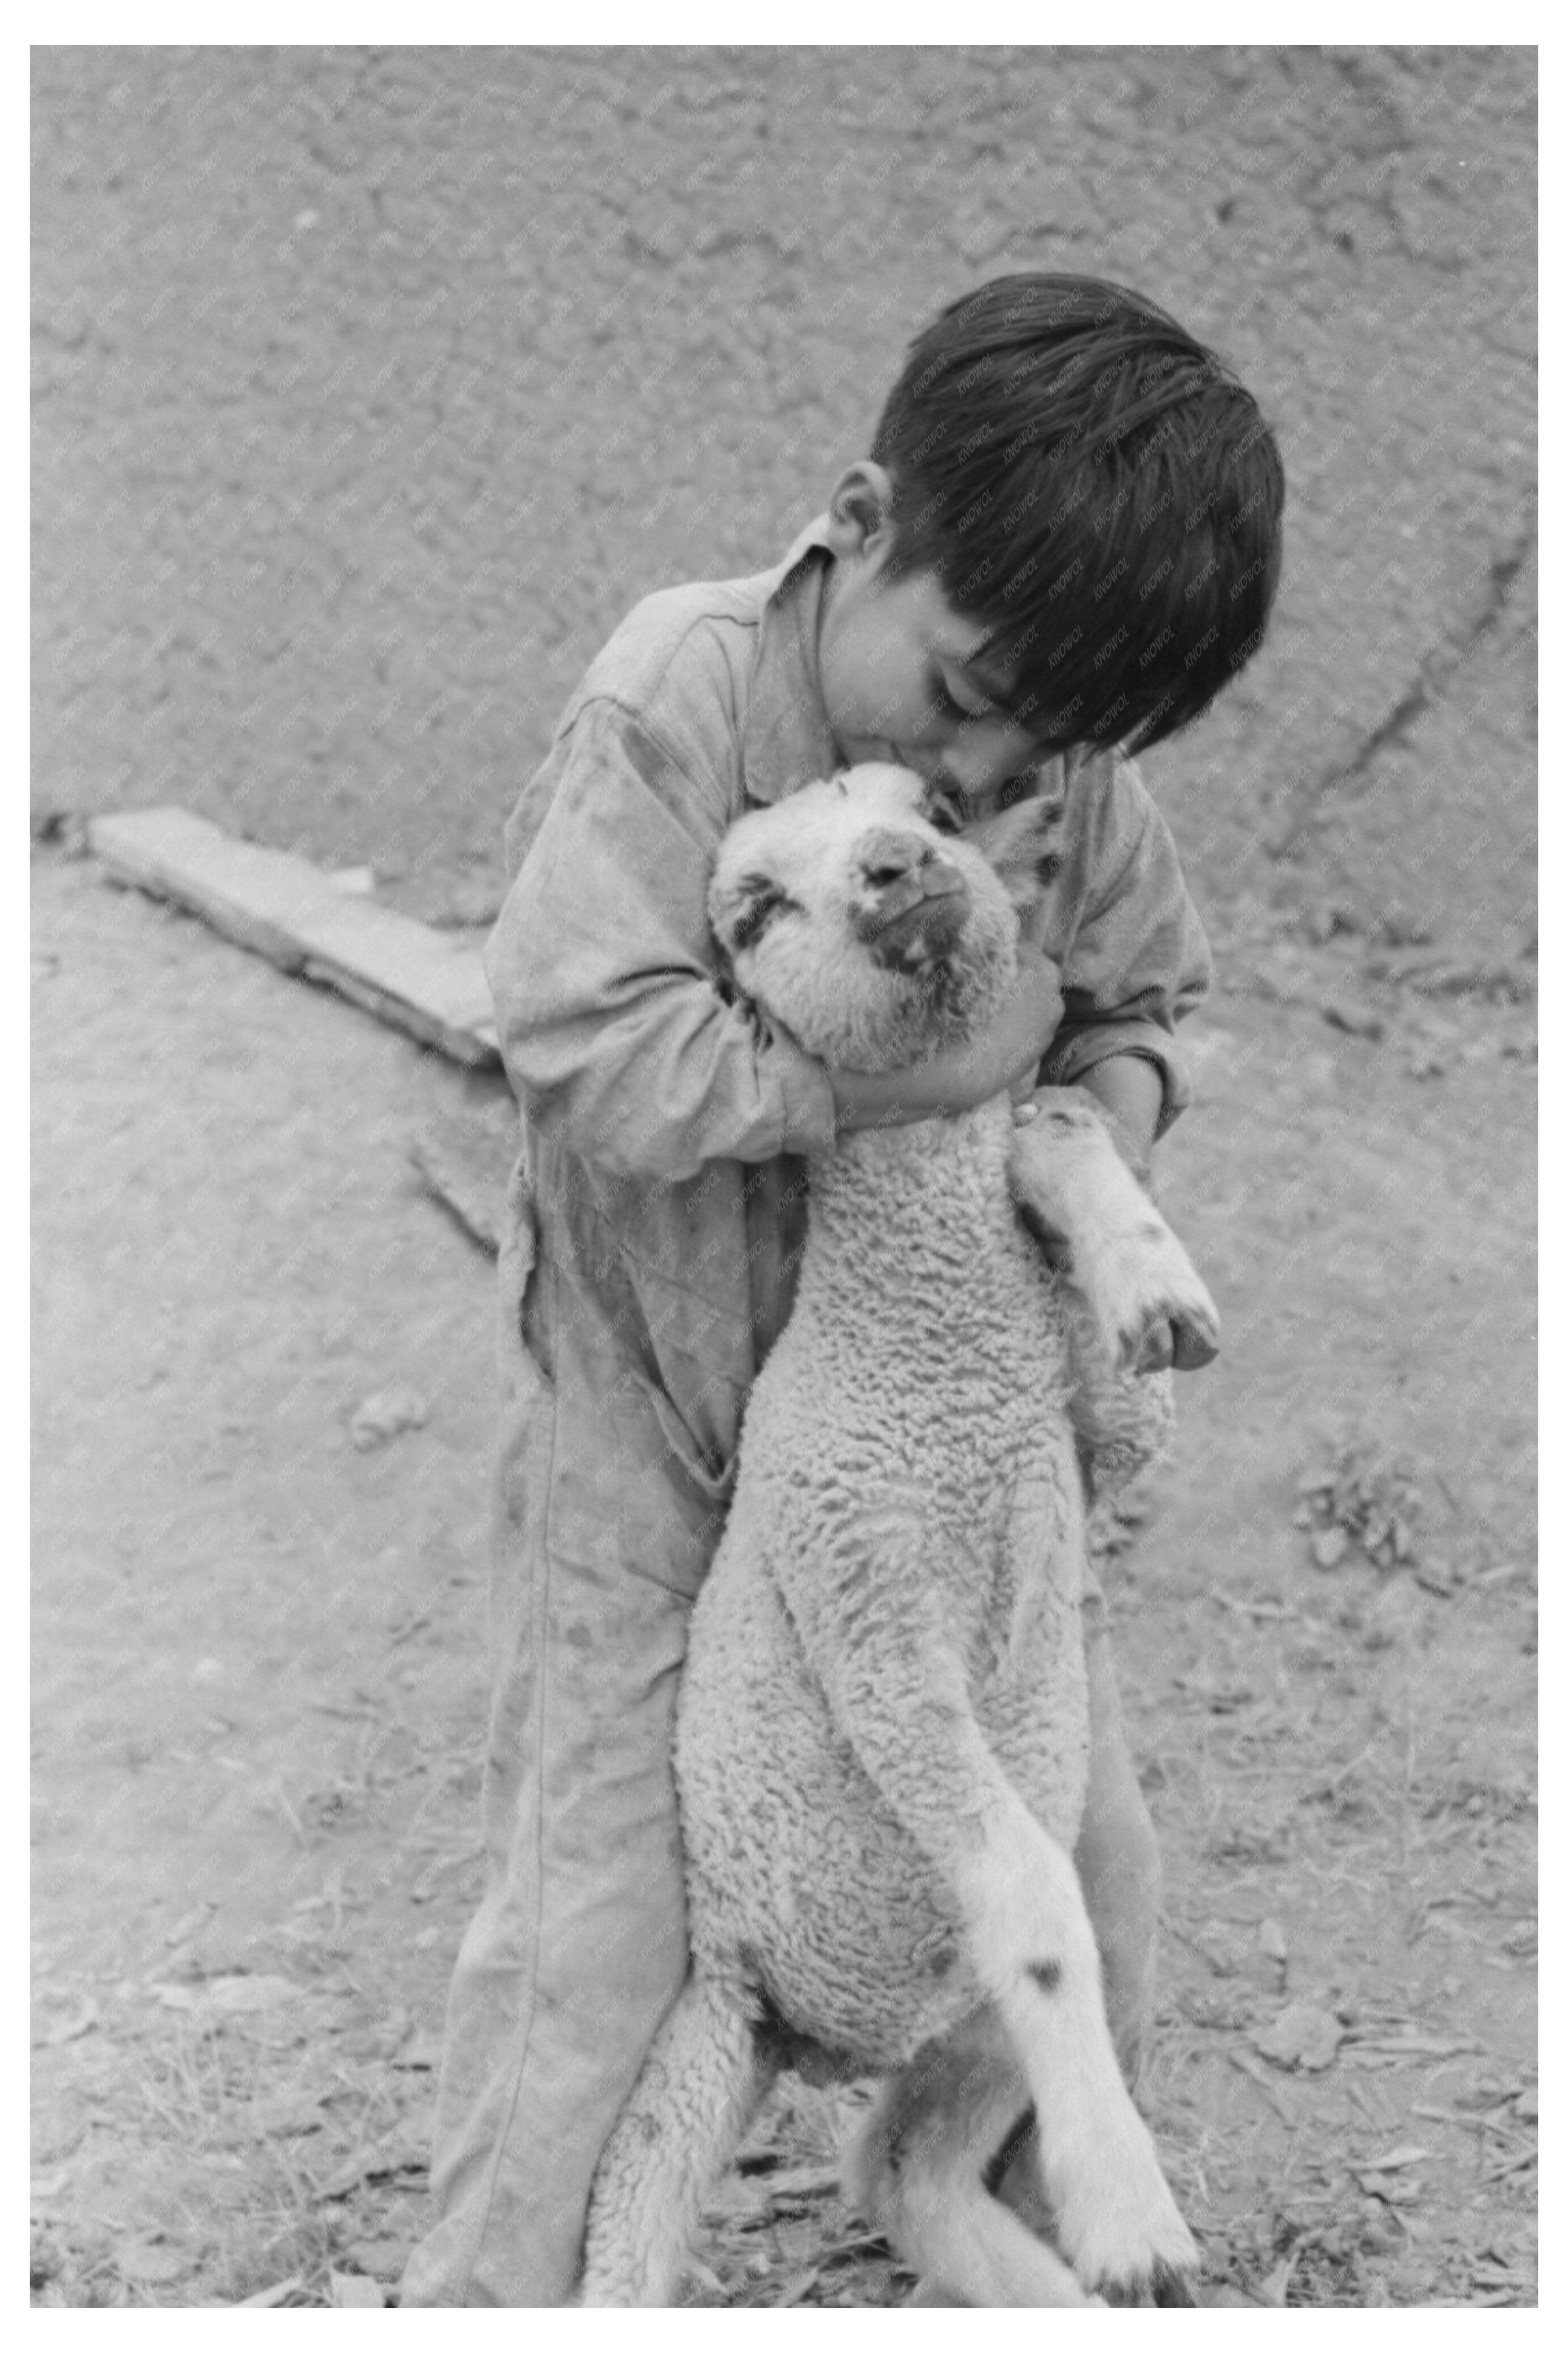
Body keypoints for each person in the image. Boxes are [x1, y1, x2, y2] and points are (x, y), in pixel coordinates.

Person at [399, 272, 1285, 2308]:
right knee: (599, 1917)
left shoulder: (1060, 774)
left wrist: (1092, 1150)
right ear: (862, 521)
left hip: (940, 1440)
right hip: (663, 1404)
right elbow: (582, 1037)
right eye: (960, 690)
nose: (980, 767)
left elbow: (1154, 1004)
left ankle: (1043, 2242)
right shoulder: (682, 692)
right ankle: (490, 2310)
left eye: (1040, 741)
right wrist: (912, 1069)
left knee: (1097, 1870)